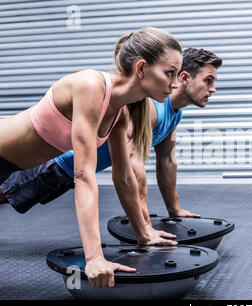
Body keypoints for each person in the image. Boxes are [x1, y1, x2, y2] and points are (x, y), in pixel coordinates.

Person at [0, 27, 183, 288]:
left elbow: (123, 176)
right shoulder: (90, 86)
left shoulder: (119, 112)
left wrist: (144, 233)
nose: (175, 84)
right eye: (170, 73)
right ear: (141, 68)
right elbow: (83, 175)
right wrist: (94, 257)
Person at [0, 48, 222, 227]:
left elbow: (167, 161)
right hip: (55, 163)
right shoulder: (153, 108)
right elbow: (133, 166)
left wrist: (175, 210)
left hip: (70, 171)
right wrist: (144, 227)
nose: (213, 89)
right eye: (208, 80)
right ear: (185, 77)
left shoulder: (175, 114)